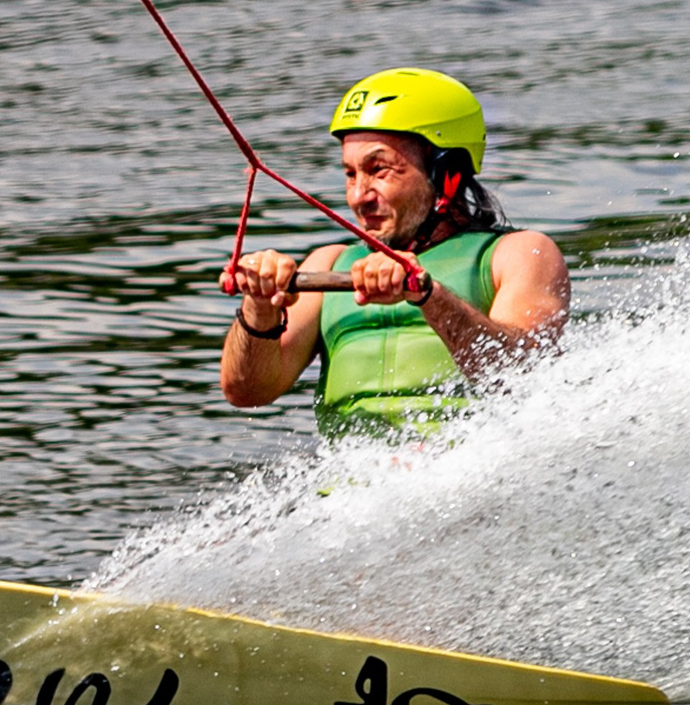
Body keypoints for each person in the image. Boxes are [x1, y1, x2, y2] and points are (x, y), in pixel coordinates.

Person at [220, 67, 569, 434]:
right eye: (350, 174)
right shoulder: (328, 263)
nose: (358, 197)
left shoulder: (518, 254)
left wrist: (428, 296)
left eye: (379, 170)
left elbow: (522, 375)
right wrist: (260, 306)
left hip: (473, 476)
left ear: (446, 172)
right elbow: (246, 392)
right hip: (354, 486)